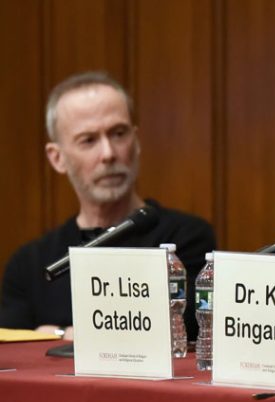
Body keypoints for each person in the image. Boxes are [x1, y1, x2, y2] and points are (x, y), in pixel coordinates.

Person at [0, 72, 216, 341]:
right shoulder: (30, 264)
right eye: (88, 140)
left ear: (136, 142)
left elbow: (178, 328)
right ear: (57, 158)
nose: (109, 154)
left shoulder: (185, 241)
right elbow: (13, 350)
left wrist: (60, 334)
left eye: (118, 133)